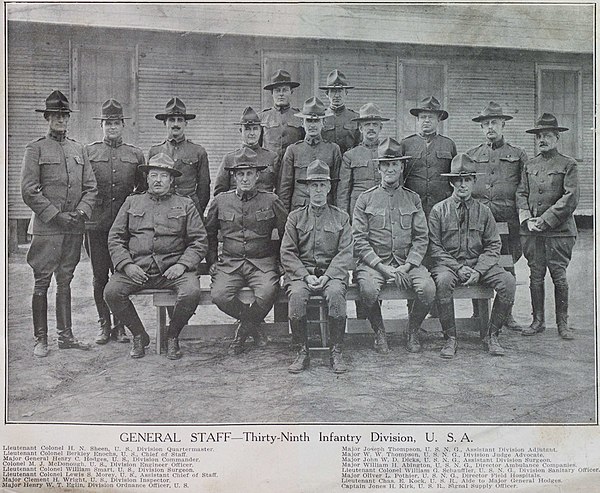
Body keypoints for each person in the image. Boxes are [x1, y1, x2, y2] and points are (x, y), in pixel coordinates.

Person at [104, 153, 207, 360]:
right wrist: (126, 265)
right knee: (112, 292)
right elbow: (115, 237)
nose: (158, 180)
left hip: (172, 269)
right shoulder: (132, 202)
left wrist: (182, 265)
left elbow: (199, 241)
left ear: (171, 179)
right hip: (138, 268)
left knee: (191, 292)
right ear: (147, 178)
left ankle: (173, 336)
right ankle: (139, 335)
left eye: (163, 175)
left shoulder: (185, 204)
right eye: (153, 175)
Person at [21, 90, 98, 357]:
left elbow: (91, 187)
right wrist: (55, 215)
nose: (61, 120)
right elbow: (29, 190)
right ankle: (41, 339)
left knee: (65, 280)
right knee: (42, 282)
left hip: (73, 227)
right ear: (47, 117)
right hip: (47, 228)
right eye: (56, 115)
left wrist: (80, 212)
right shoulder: (35, 148)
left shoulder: (79, 149)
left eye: (65, 115)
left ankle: (66, 336)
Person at [428, 154, 516, 358]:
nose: (462, 185)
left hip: (479, 266)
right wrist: (457, 267)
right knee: (442, 281)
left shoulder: (484, 211)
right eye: (458, 180)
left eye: (467, 180)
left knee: (508, 282)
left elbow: (494, 244)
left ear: (474, 182)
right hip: (449, 267)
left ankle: (492, 335)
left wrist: (479, 270)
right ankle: (450, 337)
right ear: (451, 182)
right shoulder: (439, 211)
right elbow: (435, 247)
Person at [353, 138, 436, 354]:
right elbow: (359, 239)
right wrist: (381, 267)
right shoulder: (365, 199)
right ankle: (379, 332)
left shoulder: (413, 199)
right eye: (386, 165)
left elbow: (421, 238)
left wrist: (407, 267)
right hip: (374, 264)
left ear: (401, 167)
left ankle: (413, 330)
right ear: (379, 168)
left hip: (406, 263)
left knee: (428, 289)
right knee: (368, 289)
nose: (390, 169)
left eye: (395, 164)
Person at [205, 147, 288, 355]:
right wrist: (212, 260)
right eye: (240, 174)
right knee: (220, 295)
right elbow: (209, 233)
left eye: (249, 173)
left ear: (257, 175)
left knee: (269, 291)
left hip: (262, 263)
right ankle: (252, 325)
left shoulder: (271, 200)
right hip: (231, 263)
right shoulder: (221, 201)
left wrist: (280, 262)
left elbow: (287, 232)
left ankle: (243, 331)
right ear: (233, 176)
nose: (244, 178)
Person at [280, 160, 353, 373]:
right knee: (296, 297)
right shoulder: (295, 217)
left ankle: (336, 351)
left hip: (332, 275)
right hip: (302, 276)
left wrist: (329, 276)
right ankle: (302, 351)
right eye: (314, 185)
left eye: (322, 185)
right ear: (307, 188)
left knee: (336, 295)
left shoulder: (341, 217)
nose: (318, 190)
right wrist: (305, 276)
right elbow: (287, 252)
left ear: (329, 187)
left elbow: (345, 252)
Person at [85, 99, 145, 345]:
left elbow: (142, 190)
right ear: (102, 125)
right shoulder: (90, 152)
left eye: (116, 123)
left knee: (120, 275)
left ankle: (120, 326)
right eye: (107, 123)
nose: (111, 127)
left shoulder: (135, 154)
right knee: (100, 276)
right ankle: (103, 325)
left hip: (124, 229)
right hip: (97, 226)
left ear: (123, 125)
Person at [516, 113, 579, 340]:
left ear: (557, 138)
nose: (543, 140)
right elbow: (521, 193)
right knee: (535, 275)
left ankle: (563, 324)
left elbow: (570, 197)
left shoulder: (568, 164)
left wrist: (546, 219)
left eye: (548, 135)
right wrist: (527, 218)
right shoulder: (529, 165)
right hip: (532, 232)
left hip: (558, 232)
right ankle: (538, 321)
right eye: (540, 136)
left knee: (559, 275)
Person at [466, 101, 528, 331]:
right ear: (481, 128)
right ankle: (477, 313)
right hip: (478, 222)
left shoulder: (518, 155)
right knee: (475, 262)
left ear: (503, 124)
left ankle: (506, 316)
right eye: (486, 124)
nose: (490, 127)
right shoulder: (472, 156)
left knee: (508, 265)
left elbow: (524, 189)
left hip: (507, 221)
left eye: (494, 122)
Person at [148, 97, 210, 216]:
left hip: (189, 210)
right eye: (171, 120)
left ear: (185, 123)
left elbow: (204, 187)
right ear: (165, 122)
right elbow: (150, 185)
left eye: (179, 120)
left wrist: (196, 212)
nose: (175, 124)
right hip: (162, 210)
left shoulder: (198, 151)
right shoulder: (155, 151)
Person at [278, 97, 342, 211]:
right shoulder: (293, 150)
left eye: (316, 121)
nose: (312, 125)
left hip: (325, 208)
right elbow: (285, 188)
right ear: (302, 123)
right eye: (309, 120)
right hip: (299, 209)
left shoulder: (333, 149)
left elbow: (337, 187)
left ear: (323, 122)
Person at [400, 96, 457, 217]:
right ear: (418, 120)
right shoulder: (406, 144)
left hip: (442, 205)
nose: (426, 120)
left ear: (438, 120)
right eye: (423, 117)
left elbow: (455, 177)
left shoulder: (448, 144)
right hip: (412, 205)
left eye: (430, 117)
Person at [336, 103, 389, 218]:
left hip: (385, 207)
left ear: (380, 128)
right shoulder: (350, 155)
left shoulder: (389, 152)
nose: (371, 128)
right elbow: (343, 191)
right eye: (367, 124)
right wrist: (343, 217)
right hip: (358, 210)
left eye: (375, 124)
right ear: (360, 128)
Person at [213, 107, 278, 196]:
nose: (252, 133)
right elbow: (219, 193)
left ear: (260, 130)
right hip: (237, 208)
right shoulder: (229, 159)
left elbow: (280, 190)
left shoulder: (271, 157)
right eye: (247, 129)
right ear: (241, 131)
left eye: (255, 129)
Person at [260, 69, 305, 167]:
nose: (281, 94)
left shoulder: (300, 116)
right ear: (272, 93)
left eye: (285, 90)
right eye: (277, 90)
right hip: (269, 168)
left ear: (291, 92)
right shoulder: (262, 117)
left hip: (293, 167)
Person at [320, 69, 361, 156]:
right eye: (333, 91)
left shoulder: (355, 117)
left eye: (340, 91)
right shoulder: (320, 117)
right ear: (327, 94)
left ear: (346, 92)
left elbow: (360, 145)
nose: (337, 95)